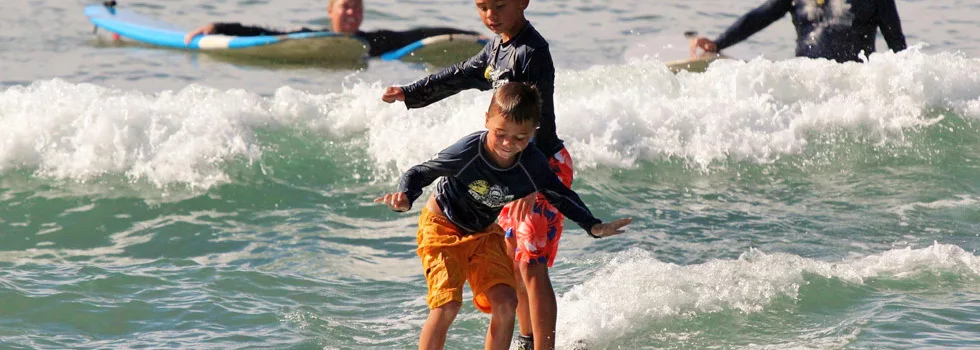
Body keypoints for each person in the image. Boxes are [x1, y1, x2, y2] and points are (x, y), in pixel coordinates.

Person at [375, 82, 631, 350]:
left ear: (533, 132)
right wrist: (404, 197)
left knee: (507, 302)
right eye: (500, 133)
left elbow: (560, 194)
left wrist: (593, 226)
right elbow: (420, 172)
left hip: (484, 233)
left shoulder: (532, 164)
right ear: (487, 120)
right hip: (442, 227)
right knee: (447, 304)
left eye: (520, 137)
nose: (508, 144)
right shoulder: (468, 152)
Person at [380, 0, 573, 348]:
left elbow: (538, 120)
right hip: (513, 164)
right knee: (514, 260)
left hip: (539, 164)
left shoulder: (532, 51)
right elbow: (461, 74)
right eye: (483, 7)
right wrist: (411, 92)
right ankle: (527, 341)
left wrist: (531, 185)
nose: (490, 15)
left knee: (531, 264)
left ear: (523, 3)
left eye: (499, 6)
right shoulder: (498, 48)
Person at [183, 0, 481, 57]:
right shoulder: (308, 37)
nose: (352, 12)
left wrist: (471, 36)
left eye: (357, 7)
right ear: (330, 11)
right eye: (345, 6)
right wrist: (218, 26)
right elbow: (264, 33)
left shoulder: (374, 41)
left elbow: (421, 34)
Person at [690, 0, 907, 63]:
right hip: (805, 80)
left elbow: (898, 47)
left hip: (852, 84)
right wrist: (718, 44)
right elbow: (759, 17)